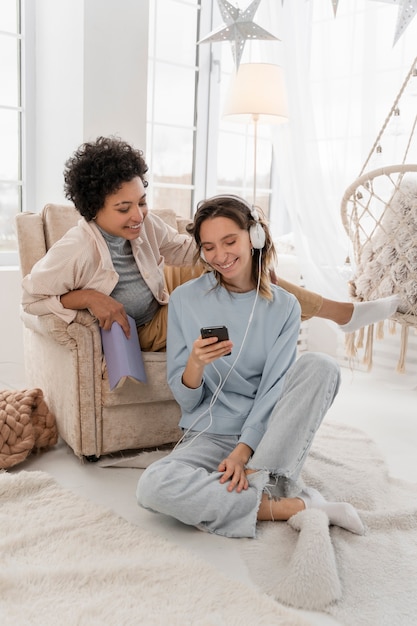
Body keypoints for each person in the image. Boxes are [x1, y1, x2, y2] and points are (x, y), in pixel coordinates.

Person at [21, 136, 399, 352]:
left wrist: (230, 248)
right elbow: (30, 298)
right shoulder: (75, 249)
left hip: (161, 292)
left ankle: (340, 315)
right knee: (235, 284)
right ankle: (343, 315)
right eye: (124, 209)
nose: (138, 215)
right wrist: (89, 297)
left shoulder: (146, 225)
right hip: (147, 325)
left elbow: (187, 252)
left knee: (240, 269)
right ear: (93, 210)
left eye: (142, 201)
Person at [136, 195, 365, 538]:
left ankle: (256, 478)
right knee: (152, 486)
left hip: (268, 437)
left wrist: (244, 453)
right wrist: (195, 365)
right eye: (209, 247)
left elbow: (275, 390)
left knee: (322, 366)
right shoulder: (185, 299)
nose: (221, 256)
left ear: (253, 237)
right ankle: (284, 504)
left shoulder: (284, 307)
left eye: (230, 241)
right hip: (211, 433)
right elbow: (187, 403)